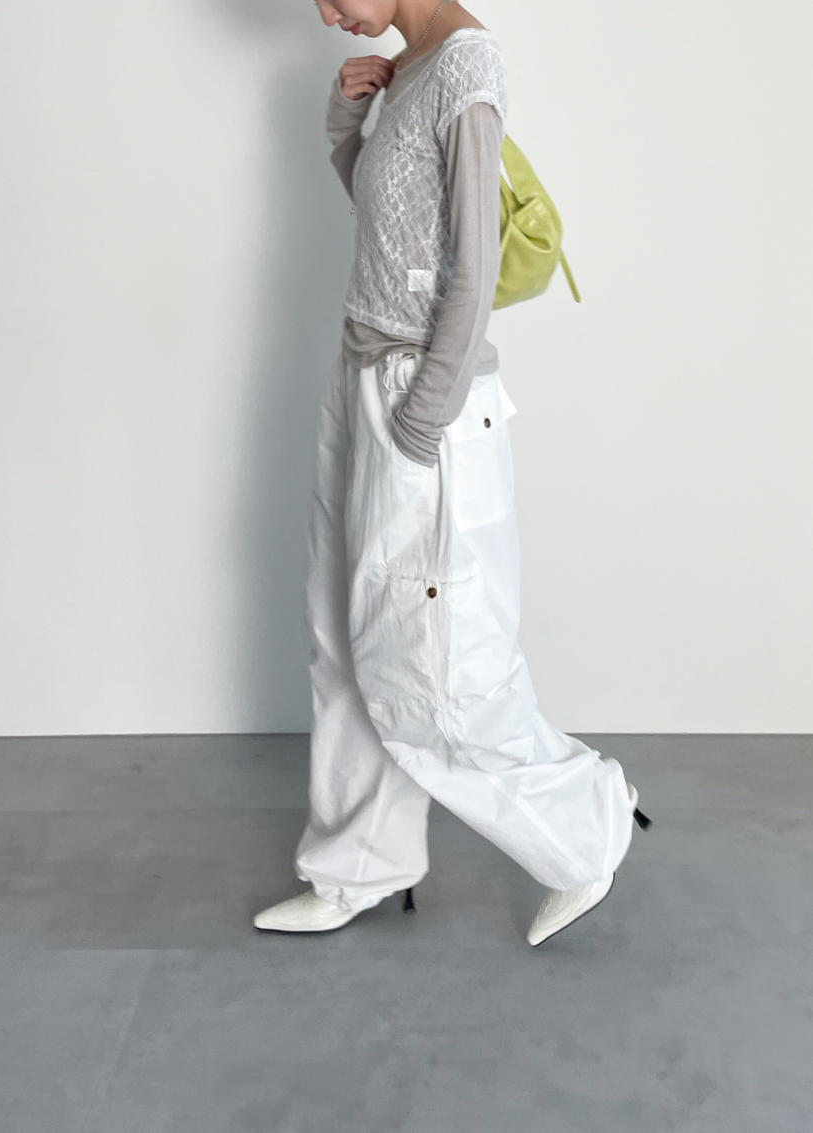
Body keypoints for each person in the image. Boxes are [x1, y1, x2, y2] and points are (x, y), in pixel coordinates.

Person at [254, 0, 651, 947]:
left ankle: (586, 827)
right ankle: (359, 863)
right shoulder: (410, 69)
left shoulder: (468, 68)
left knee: (436, 666)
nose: (326, 13)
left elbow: (471, 270)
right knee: (341, 635)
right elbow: (397, 232)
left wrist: (421, 418)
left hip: (418, 400)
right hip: (361, 378)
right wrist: (348, 127)